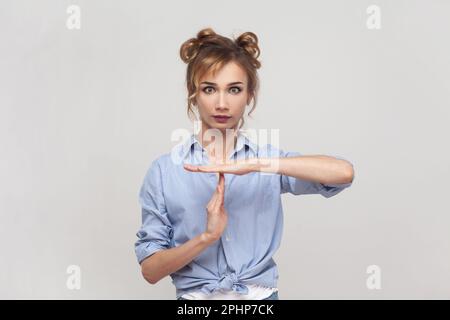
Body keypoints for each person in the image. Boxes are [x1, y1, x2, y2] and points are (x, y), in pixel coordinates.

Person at [134, 27, 355, 300]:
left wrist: (258, 164)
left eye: (234, 89)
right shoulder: (165, 171)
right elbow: (150, 271)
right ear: (194, 93)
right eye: (209, 89)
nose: (222, 103)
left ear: (249, 95)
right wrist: (207, 237)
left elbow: (343, 173)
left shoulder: (268, 163)